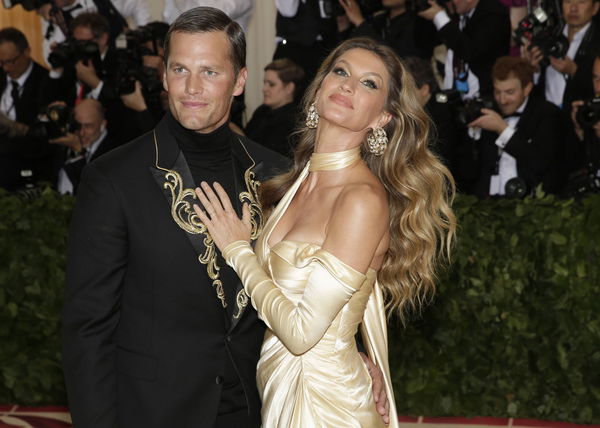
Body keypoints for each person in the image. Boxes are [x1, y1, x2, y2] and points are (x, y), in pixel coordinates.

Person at [62, 8, 387, 428]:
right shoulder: (114, 178)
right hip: (153, 411)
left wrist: (350, 355)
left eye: (210, 72)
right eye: (180, 69)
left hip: (257, 409)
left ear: (238, 82)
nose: (192, 87)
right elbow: (87, 329)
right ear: (164, 76)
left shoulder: (278, 177)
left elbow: (307, 285)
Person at [193, 37, 456, 427]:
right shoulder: (294, 184)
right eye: (341, 71)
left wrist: (237, 249)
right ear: (319, 88)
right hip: (279, 385)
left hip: (326, 403)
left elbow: (301, 335)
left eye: (369, 83)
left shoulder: (362, 198)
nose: (349, 85)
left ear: (382, 117)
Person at [467, 56, 565, 197]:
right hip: (489, 205)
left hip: (532, 205)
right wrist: (473, 136)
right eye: (497, 92)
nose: (502, 100)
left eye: (509, 92)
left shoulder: (547, 114)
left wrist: (503, 130)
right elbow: (471, 172)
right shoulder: (489, 112)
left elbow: (541, 164)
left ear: (527, 88)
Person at [418, 0, 511, 98]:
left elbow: (469, 51)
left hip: (484, 95)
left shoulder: (494, 13)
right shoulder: (459, 13)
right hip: (452, 93)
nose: (449, 3)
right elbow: (423, 43)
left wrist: (439, 17)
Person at [0, 27, 53, 191]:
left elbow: (43, 137)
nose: (6, 68)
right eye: (1, 62)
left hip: (28, 168)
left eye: (11, 61)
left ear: (27, 52)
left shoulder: (46, 83)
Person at [522, 0, 599, 110]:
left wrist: (574, 72)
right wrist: (534, 69)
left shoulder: (596, 41)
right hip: (546, 114)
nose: (573, 8)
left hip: (579, 116)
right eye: (568, 2)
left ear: (595, 7)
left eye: (581, 2)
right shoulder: (549, 34)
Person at [52, 98, 118, 194]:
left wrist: (79, 152)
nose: (82, 132)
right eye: (78, 125)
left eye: (88, 126)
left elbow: (92, 189)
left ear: (103, 124)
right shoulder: (69, 141)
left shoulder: (113, 151)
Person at [339, 0, 440, 61]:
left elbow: (398, 59)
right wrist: (344, 28)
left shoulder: (421, 22)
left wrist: (360, 22)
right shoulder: (378, 19)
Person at [245, 58, 304, 156]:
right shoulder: (261, 110)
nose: (264, 89)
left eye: (271, 84)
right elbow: (245, 140)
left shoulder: (295, 121)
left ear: (289, 88)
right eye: (265, 83)